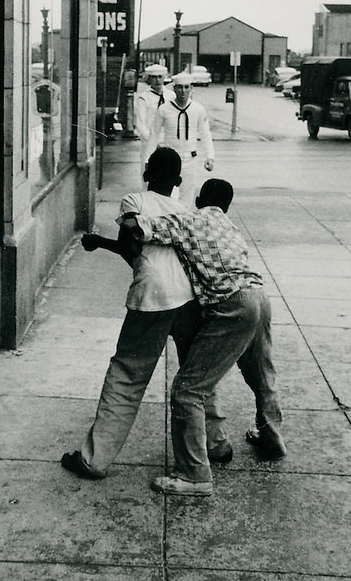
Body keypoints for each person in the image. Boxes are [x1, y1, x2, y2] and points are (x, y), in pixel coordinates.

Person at [60, 148, 231, 480]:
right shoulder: (183, 210)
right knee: (197, 375)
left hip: (152, 296)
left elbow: (133, 247)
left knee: (127, 374)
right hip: (188, 296)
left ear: (146, 172)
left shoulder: (134, 201)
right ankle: (217, 443)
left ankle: (94, 460)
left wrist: (99, 242)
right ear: (179, 181)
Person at [125, 178, 286, 497]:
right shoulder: (231, 227)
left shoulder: (189, 219)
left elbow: (139, 227)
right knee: (261, 375)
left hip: (233, 307)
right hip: (259, 297)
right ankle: (272, 438)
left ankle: (195, 475)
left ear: (198, 199)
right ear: (227, 206)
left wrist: (130, 214)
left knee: (187, 390)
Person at [147, 73, 214, 206]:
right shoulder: (164, 109)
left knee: (187, 197)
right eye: (179, 88)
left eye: (186, 87)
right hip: (169, 159)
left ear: (191, 88)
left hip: (190, 158)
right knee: (168, 196)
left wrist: (210, 157)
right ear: (174, 89)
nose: (183, 91)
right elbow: (154, 134)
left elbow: (206, 134)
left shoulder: (198, 109)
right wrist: (148, 159)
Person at [134, 63, 174, 187]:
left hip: (168, 140)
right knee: (149, 174)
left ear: (164, 78)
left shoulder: (171, 96)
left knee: (169, 174)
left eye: (160, 77)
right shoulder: (144, 98)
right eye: (154, 77)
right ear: (149, 79)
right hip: (149, 141)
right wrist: (154, 142)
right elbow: (140, 124)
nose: (157, 80)